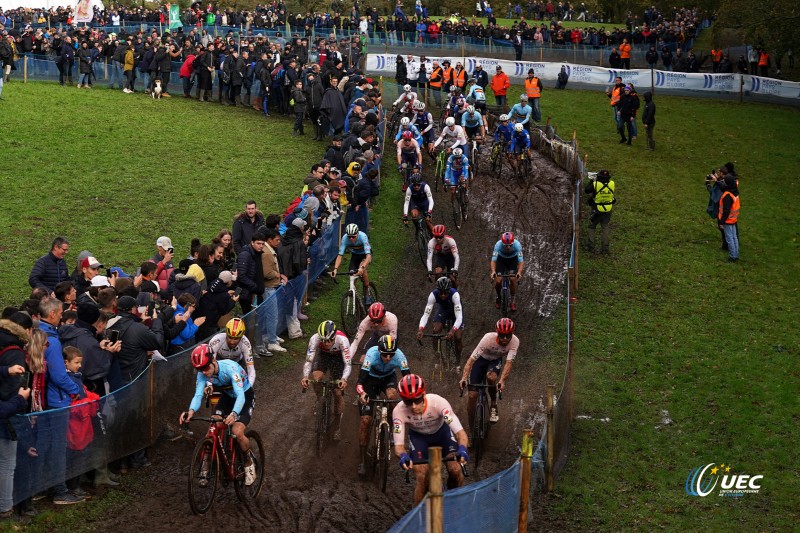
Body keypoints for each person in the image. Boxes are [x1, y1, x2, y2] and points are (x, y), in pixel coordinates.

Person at [179, 344, 257, 486]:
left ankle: (248, 461)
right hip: (227, 397)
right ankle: (206, 465)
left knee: (236, 431)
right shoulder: (203, 373)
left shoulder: (230, 369)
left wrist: (234, 414)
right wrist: (190, 412)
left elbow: (240, 396)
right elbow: (197, 395)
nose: (204, 372)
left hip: (244, 397)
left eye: (206, 368)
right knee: (213, 427)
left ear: (213, 361)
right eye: (200, 369)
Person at [393, 374, 469, 505]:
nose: (413, 406)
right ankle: (418, 519)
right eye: (407, 401)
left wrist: (462, 449)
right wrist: (403, 455)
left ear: (424, 394)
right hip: (419, 438)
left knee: (455, 470)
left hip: (442, 434)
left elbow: (460, 434)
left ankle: (455, 503)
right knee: (422, 477)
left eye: (416, 400)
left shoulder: (438, 403)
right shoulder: (399, 411)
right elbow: (398, 446)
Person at [355, 334, 409, 476]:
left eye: (391, 355)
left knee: (392, 396)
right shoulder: (371, 355)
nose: (388, 358)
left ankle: (391, 428)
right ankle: (362, 461)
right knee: (365, 421)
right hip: (370, 380)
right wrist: (362, 394)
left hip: (388, 379)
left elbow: (408, 379)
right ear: (379, 351)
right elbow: (360, 383)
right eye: (385, 355)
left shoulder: (400, 356)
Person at [459, 318, 519, 426]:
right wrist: (464, 377)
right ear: (497, 333)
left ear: (512, 333)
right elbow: (471, 360)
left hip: (495, 360)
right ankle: (471, 427)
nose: (505, 339)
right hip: (480, 360)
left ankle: (494, 403)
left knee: (491, 378)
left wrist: (502, 381)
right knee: (472, 396)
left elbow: (508, 363)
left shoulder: (515, 341)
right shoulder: (487, 339)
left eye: (508, 335)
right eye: (502, 335)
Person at [300, 321, 352, 441]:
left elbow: (348, 364)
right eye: (323, 340)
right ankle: (320, 399)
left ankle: (337, 427)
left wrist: (343, 379)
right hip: (323, 355)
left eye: (329, 340)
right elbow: (309, 360)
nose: (326, 343)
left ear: (334, 337)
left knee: (338, 392)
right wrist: (305, 376)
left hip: (339, 358)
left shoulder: (343, 340)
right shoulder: (314, 339)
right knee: (316, 377)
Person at [416, 277, 464, 363]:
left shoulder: (455, 295)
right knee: (436, 331)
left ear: (449, 290)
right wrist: (421, 329)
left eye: (445, 292)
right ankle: (437, 357)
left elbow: (459, 318)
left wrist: (452, 331)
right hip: (443, 310)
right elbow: (426, 315)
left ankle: (458, 363)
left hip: (455, 313)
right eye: (440, 292)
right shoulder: (433, 295)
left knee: (458, 337)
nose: (442, 295)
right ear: (437, 290)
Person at [330, 224, 373, 305]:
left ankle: (367, 294)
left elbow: (368, 256)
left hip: (365, 255)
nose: (351, 238)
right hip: (355, 255)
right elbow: (340, 256)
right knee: (352, 275)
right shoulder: (345, 238)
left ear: (357, 233)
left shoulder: (363, 236)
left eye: (353, 236)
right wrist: (335, 269)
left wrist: (362, 268)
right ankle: (355, 297)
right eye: (349, 236)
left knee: (362, 270)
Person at [208, 318, 256, 387]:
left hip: (237, 364)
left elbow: (251, 369)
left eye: (236, 338)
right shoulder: (216, 341)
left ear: (241, 337)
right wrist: (209, 385)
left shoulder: (245, 343)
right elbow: (209, 367)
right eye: (230, 337)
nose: (232, 342)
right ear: (226, 334)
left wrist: (248, 388)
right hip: (219, 365)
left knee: (239, 387)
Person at [584, 170, 616, 254]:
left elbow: (586, 190)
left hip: (597, 209)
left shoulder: (596, 184)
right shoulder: (612, 183)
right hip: (608, 209)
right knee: (605, 227)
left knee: (592, 226)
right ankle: (605, 248)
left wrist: (592, 181)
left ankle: (591, 246)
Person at [490, 232, 524, 311]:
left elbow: (521, 261)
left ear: (513, 243)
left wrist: (519, 272)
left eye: (510, 245)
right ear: (502, 243)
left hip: (513, 260)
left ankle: (512, 300)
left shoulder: (517, 245)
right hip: (501, 260)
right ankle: (499, 297)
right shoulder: (498, 245)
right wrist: (493, 271)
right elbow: (493, 260)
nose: (508, 247)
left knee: (513, 279)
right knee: (498, 281)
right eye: (506, 246)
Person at [235, 232, 266, 316]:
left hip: (255, 292)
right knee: (249, 318)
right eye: (258, 243)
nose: (261, 246)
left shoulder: (258, 253)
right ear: (252, 242)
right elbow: (241, 276)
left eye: (263, 244)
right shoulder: (245, 255)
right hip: (248, 293)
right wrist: (254, 287)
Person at [718, 174, 740, 263]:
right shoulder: (735, 191)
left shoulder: (727, 195)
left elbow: (726, 210)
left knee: (729, 238)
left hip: (728, 220)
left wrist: (721, 222)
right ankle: (736, 254)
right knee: (734, 237)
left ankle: (732, 256)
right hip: (733, 219)